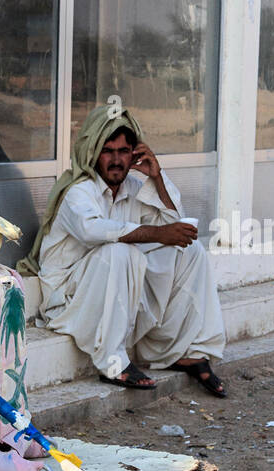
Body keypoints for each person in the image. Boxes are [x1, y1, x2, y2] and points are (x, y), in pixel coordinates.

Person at [19, 105, 228, 396]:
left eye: (124, 151)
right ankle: (113, 363)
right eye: (108, 151)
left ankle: (185, 351)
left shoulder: (132, 186)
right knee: (121, 252)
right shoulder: (78, 191)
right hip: (68, 300)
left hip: (115, 291)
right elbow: (93, 231)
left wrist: (156, 176)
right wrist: (158, 234)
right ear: (93, 152)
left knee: (188, 252)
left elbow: (171, 224)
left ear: (135, 153)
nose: (117, 160)